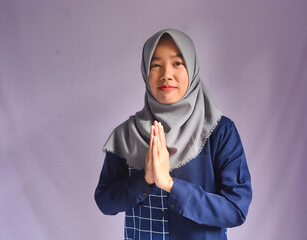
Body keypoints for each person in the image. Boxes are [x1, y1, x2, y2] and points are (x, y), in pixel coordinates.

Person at [95, 29, 252, 240]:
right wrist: (145, 180)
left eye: (178, 63)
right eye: (156, 65)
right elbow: (106, 202)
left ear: (192, 68)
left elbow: (235, 209)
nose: (166, 74)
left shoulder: (219, 132)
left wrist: (170, 185)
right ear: (145, 71)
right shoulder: (126, 134)